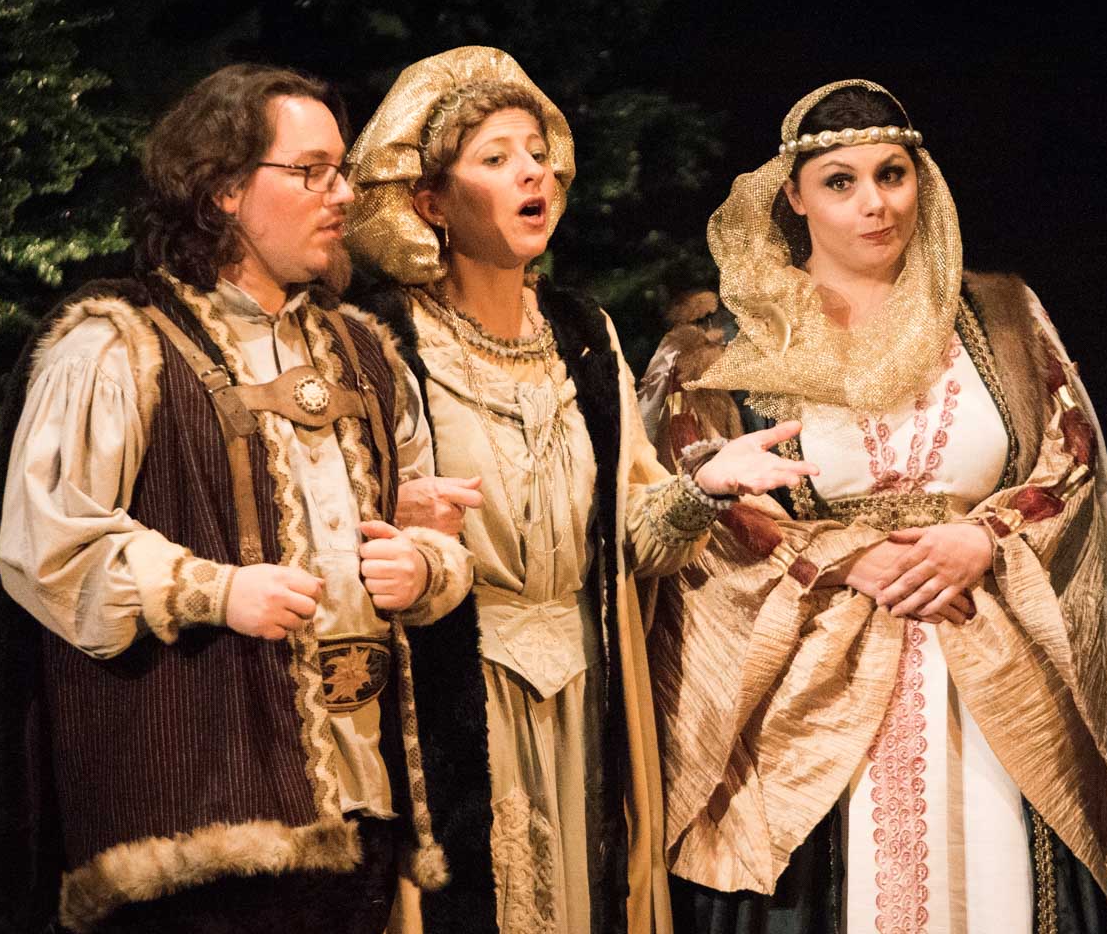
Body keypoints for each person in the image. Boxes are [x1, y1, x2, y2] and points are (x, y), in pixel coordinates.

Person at [642, 79, 1107, 933]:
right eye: (840, 181)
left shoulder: (1000, 320)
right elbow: (708, 510)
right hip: (811, 698)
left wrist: (985, 537)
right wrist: (846, 556)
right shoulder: (722, 351)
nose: (875, 203)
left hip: (990, 666)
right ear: (794, 199)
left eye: (893, 174)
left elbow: (1068, 461)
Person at [341, 46, 816, 934]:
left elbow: (631, 537)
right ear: (429, 203)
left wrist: (701, 489)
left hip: (588, 684)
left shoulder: (583, 333)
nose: (532, 172)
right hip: (456, 685)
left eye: (536, 152)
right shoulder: (380, 340)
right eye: (495, 158)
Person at [0, 63, 475, 934]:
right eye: (312, 172)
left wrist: (428, 563)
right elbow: (47, 544)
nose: (342, 197)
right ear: (220, 189)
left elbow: (420, 517)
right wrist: (212, 589)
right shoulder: (116, 345)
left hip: (362, 809)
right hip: (200, 825)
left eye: (345, 173)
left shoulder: (364, 353)